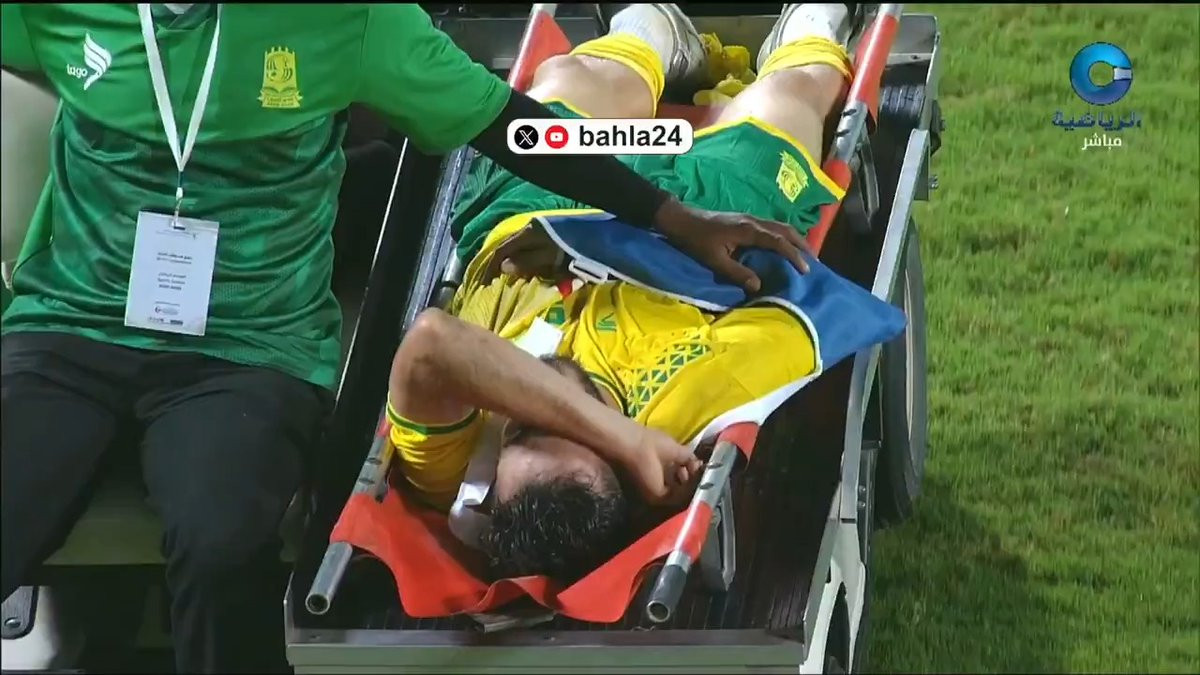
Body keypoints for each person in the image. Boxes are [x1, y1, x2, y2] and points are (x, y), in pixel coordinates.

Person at [0, 3, 813, 673]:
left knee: (221, 546)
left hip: (246, 346)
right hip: (67, 323)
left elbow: (508, 126)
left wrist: (670, 216)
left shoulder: (345, 19)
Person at [386, 3, 858, 582]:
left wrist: (619, 435)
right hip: (709, 221)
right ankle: (807, 33)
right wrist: (634, 438)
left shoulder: (456, 472)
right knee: (788, 100)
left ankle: (654, 31)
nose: (540, 400)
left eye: (520, 427)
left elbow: (433, 342)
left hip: (542, 204)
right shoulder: (694, 402)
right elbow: (793, 300)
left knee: (562, 86)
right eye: (572, 427)